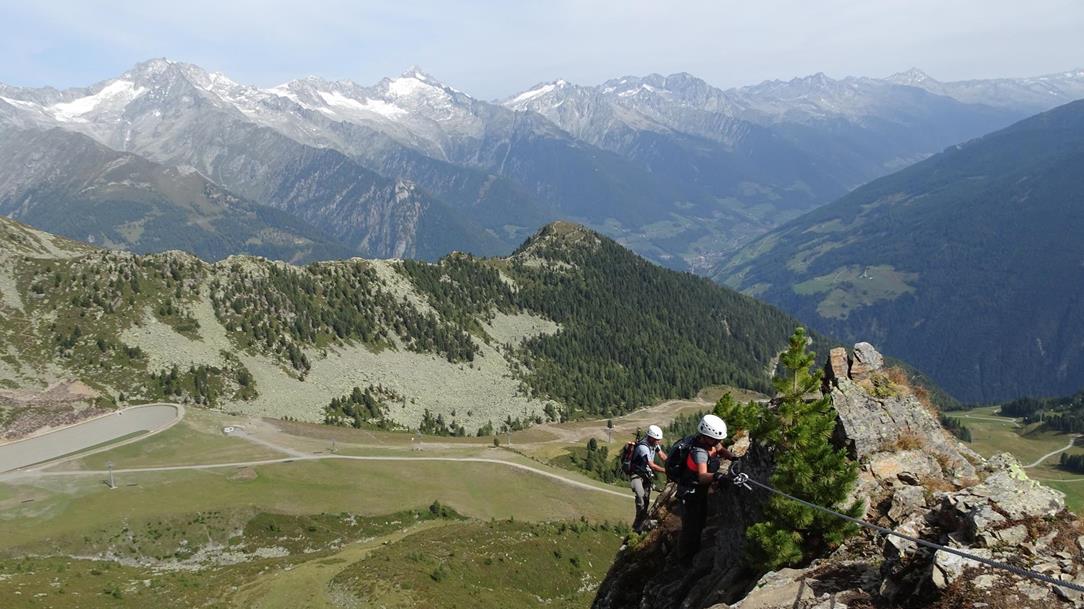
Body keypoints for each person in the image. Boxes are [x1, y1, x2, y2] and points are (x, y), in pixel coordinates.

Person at [677, 414, 740, 562]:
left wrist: (733, 457)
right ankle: (685, 559)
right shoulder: (699, 452)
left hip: (698, 491)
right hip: (690, 493)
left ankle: (694, 548)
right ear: (704, 436)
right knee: (690, 527)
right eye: (715, 439)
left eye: (719, 439)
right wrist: (717, 477)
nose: (718, 442)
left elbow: (720, 449)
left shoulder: (710, 442)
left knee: (699, 521)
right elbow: (702, 476)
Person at [630, 424, 667, 533]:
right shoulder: (643, 447)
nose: (658, 442)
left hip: (646, 474)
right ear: (650, 438)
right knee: (640, 496)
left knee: (646, 500)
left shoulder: (654, 444)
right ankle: (637, 526)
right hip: (636, 474)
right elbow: (652, 465)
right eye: (657, 440)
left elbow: (662, 456)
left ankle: (640, 524)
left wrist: (671, 463)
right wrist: (667, 471)